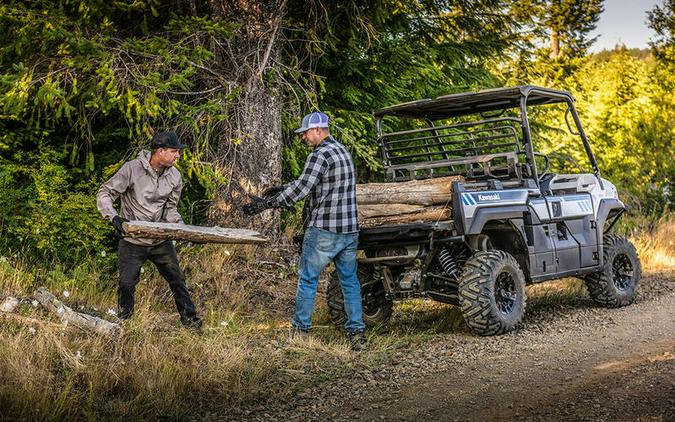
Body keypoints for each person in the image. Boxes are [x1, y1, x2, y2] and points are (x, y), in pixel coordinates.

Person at [242, 111, 367, 351]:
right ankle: (357, 333)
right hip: (349, 230)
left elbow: (302, 189)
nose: (304, 138)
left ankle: (300, 330)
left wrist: (267, 204)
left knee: (308, 279)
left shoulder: (319, 155)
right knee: (349, 281)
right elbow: (315, 183)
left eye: (306, 133)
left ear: (318, 130)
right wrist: (282, 189)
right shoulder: (343, 152)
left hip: (324, 229)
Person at [96, 131, 202, 333]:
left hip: (159, 240)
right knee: (126, 284)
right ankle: (124, 326)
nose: (177, 155)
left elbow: (170, 211)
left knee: (177, 280)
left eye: (177, 152)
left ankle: (193, 325)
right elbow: (105, 192)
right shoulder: (132, 170)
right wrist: (113, 217)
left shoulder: (175, 176)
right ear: (160, 152)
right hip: (133, 240)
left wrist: (186, 232)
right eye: (174, 151)